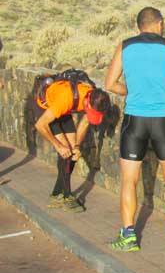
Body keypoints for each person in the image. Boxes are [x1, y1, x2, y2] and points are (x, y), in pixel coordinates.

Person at [104, 7, 165, 252]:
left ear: (139, 26)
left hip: (135, 120)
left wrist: (131, 92)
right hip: (162, 119)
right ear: (159, 23)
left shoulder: (125, 46)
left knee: (129, 181)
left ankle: (129, 236)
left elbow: (110, 83)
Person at [33, 75, 111, 212]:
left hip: (64, 110)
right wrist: (58, 145)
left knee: (73, 154)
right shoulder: (66, 99)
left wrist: (77, 147)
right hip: (46, 108)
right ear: (87, 103)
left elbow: (85, 122)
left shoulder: (92, 95)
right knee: (65, 152)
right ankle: (66, 196)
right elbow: (40, 125)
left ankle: (57, 193)